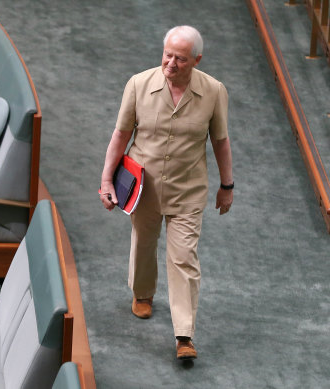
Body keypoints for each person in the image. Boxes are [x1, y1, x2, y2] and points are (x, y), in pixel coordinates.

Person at [99, 25, 233, 360]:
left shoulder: (214, 92)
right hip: (144, 188)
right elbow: (120, 136)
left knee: (184, 258)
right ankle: (142, 293)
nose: (171, 63)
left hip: (188, 191)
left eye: (181, 58)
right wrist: (105, 182)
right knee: (144, 243)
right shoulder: (139, 84)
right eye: (167, 55)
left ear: (197, 60)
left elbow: (220, 141)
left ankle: (184, 335)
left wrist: (227, 185)